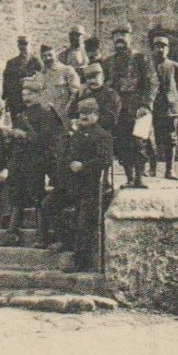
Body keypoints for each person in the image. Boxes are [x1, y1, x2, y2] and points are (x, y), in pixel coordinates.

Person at [40, 96, 114, 271]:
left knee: (84, 224)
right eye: (81, 113)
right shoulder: (74, 134)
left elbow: (105, 160)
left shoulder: (102, 135)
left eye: (88, 113)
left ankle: (80, 261)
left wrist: (83, 166)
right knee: (48, 206)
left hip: (90, 187)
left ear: (96, 115)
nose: (83, 117)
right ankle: (67, 242)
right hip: (69, 186)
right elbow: (62, 154)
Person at [3, 77, 63, 244]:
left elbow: (44, 139)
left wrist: (24, 134)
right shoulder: (22, 114)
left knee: (37, 197)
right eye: (23, 94)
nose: (26, 97)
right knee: (17, 197)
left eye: (30, 94)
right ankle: (11, 234)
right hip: (20, 160)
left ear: (38, 95)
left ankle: (42, 236)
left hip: (37, 161)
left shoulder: (46, 113)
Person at [102, 26, 158, 189]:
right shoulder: (108, 62)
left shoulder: (141, 58)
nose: (120, 38)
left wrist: (146, 105)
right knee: (123, 143)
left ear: (130, 37)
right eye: (117, 35)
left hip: (139, 108)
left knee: (139, 142)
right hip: (118, 110)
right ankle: (129, 178)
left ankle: (140, 178)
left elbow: (152, 82)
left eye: (123, 35)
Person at [148, 35, 178, 180]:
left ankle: (169, 170)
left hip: (169, 109)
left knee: (170, 139)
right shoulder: (148, 66)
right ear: (152, 49)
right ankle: (152, 168)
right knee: (151, 139)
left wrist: (175, 101)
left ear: (168, 49)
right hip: (152, 108)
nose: (160, 49)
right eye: (157, 46)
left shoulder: (175, 66)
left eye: (163, 47)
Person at [36, 43, 80, 121]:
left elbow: (75, 93)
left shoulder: (67, 70)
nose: (48, 58)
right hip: (46, 116)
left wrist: (66, 111)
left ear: (55, 55)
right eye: (44, 56)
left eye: (50, 55)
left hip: (63, 116)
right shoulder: (40, 74)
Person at [1, 34, 42, 117]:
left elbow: (41, 81)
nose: (23, 47)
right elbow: (6, 82)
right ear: (18, 46)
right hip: (15, 102)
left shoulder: (36, 62)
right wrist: (6, 99)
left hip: (31, 101)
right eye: (21, 44)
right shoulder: (11, 63)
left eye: (25, 44)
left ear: (30, 45)